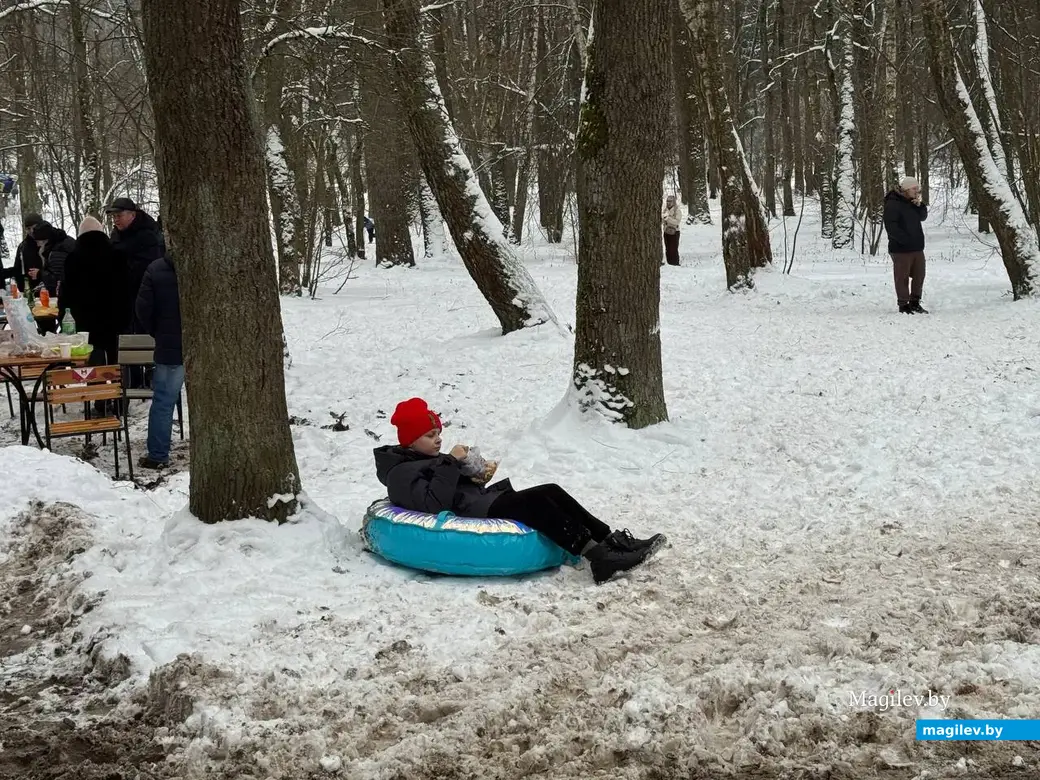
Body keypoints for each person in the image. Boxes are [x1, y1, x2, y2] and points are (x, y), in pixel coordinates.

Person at [373, 398, 667, 584]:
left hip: (480, 502)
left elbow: (450, 483)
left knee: (550, 490)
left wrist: (472, 470)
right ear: (410, 440)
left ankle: (610, 540)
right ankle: (600, 558)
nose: (438, 440)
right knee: (536, 504)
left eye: (438, 433)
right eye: (429, 435)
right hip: (473, 512)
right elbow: (433, 503)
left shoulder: (426, 458)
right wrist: (450, 463)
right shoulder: (400, 473)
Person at [134, 252, 183, 470]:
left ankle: (158, 454)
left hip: (169, 347)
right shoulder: (209, 262)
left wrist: (159, 332)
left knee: (163, 402)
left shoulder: (156, 269)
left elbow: (143, 308)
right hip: (205, 344)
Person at [62, 215, 129, 369]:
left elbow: (65, 295)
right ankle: (115, 386)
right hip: (114, 319)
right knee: (114, 361)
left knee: (91, 361)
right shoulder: (118, 255)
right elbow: (126, 290)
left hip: (84, 322)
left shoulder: (72, 259)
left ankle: (95, 387)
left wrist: (64, 317)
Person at [105, 197, 165, 331]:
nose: (116, 219)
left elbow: (148, 268)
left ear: (132, 215)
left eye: (119, 215)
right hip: (121, 300)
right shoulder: (116, 235)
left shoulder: (148, 235)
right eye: (114, 216)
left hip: (143, 296)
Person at [883, 176, 929, 314]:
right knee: (902, 277)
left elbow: (922, 217)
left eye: (918, 188)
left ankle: (915, 302)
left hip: (917, 247)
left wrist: (920, 205)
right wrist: (904, 240)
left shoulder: (912, 203)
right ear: (907, 189)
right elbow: (891, 226)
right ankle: (903, 304)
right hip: (900, 249)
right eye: (914, 188)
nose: (917, 191)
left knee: (919, 275)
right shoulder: (893, 203)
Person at [2, 212, 43, 291]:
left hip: (49, 290)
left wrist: (40, 273)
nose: (31, 231)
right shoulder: (23, 247)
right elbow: (18, 269)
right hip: (30, 291)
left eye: (34, 227)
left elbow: (56, 268)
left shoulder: (49, 243)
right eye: (28, 228)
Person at [662, 195, 681, 266]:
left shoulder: (677, 210)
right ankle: (669, 263)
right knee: (667, 248)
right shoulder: (665, 210)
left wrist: (668, 219)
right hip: (666, 231)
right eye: (667, 201)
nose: (668, 203)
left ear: (674, 202)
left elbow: (677, 221)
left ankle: (675, 263)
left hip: (674, 232)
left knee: (673, 248)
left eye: (670, 201)